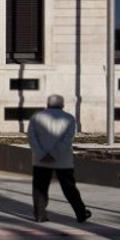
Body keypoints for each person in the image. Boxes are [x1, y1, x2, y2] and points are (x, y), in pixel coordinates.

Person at [26, 94, 92, 223]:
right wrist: (54, 154)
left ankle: (40, 215)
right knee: (69, 188)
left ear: (48, 104)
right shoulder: (69, 119)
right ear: (62, 105)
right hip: (63, 161)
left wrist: (42, 154)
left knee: (40, 188)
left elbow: (31, 138)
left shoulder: (36, 117)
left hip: (41, 161)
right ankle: (81, 213)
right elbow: (67, 140)